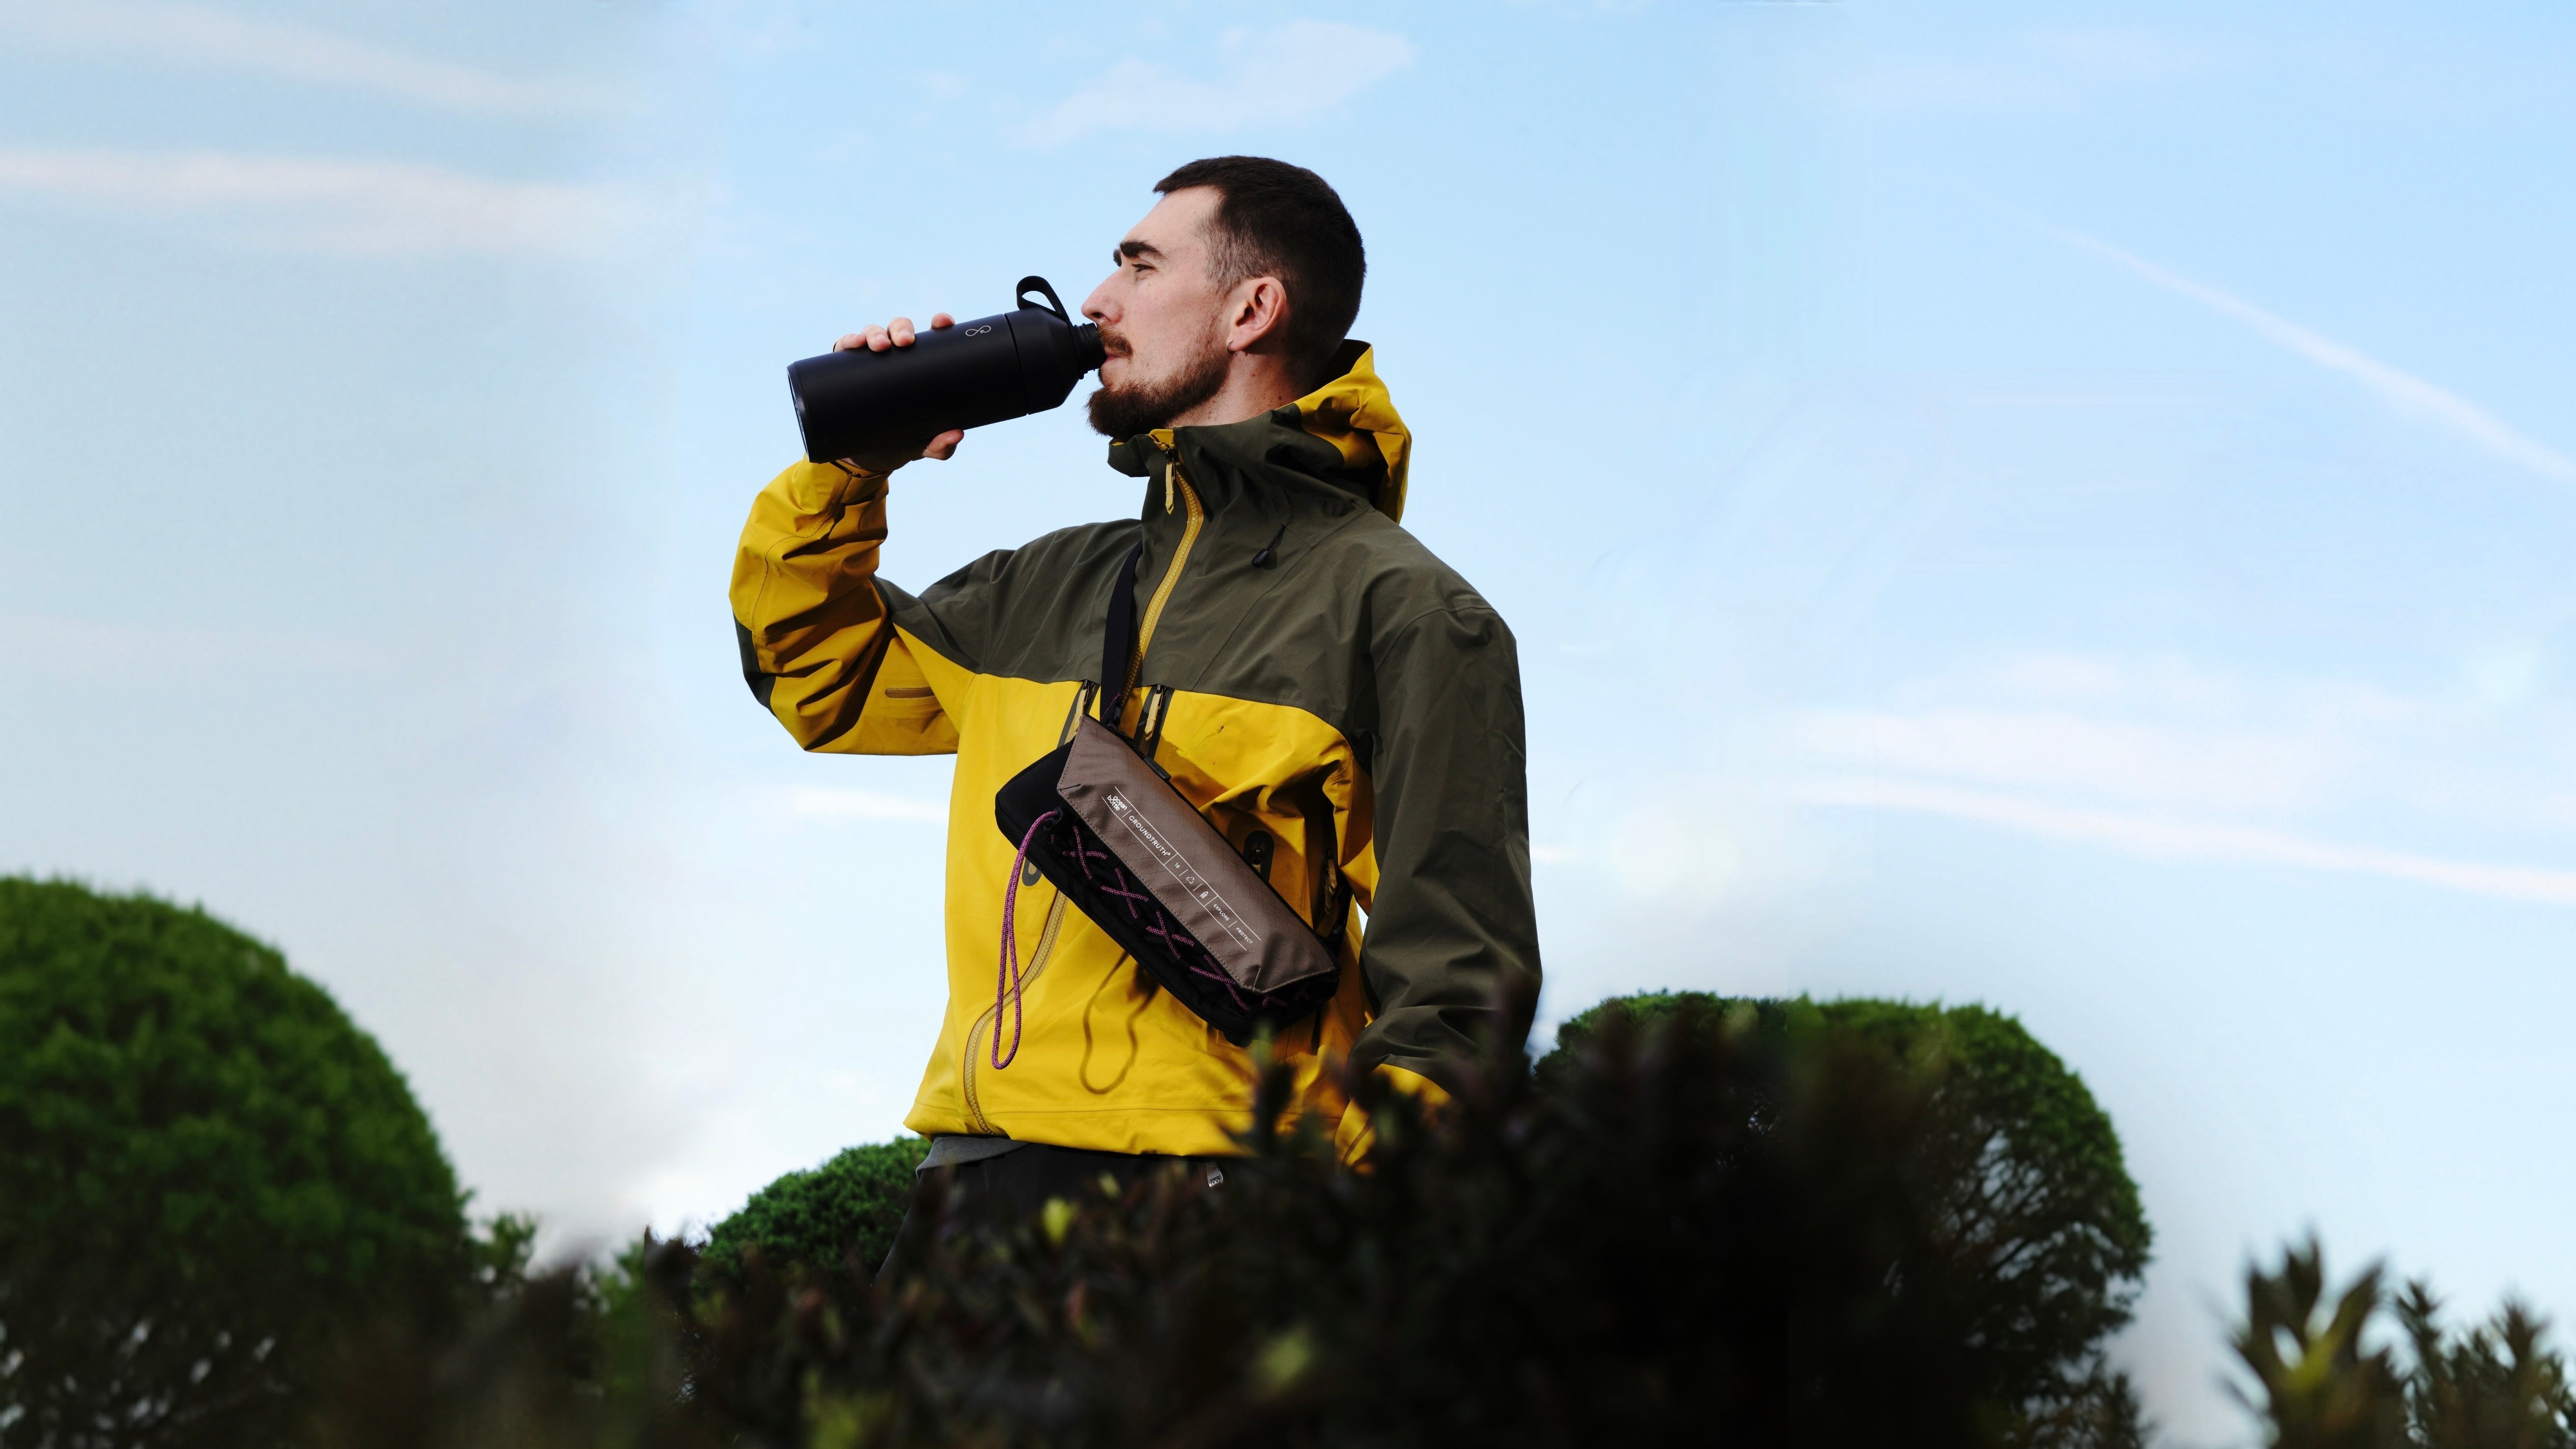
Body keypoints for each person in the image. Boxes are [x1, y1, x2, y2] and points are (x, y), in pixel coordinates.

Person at [728, 156, 1539, 1270]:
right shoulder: (1043, 583)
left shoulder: (1404, 611)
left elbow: (1458, 992)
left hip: (1215, 1215)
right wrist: (850, 473)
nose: (1096, 300)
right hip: (970, 1198)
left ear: (1253, 309)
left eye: (1139, 265)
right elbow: (818, 681)